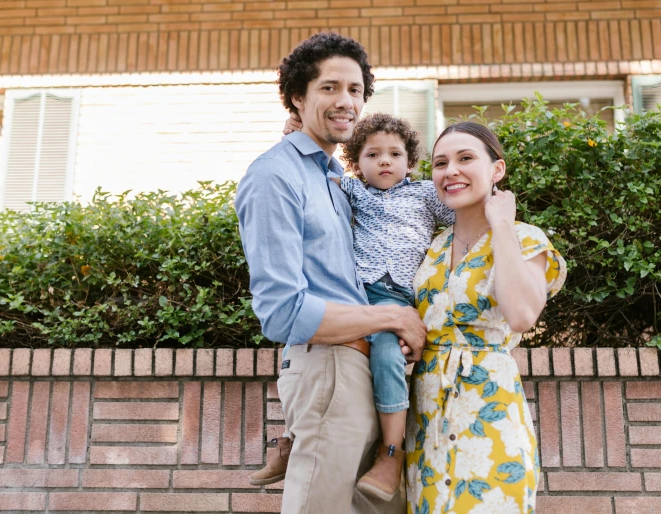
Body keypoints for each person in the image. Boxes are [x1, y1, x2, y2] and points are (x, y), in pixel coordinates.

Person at [234, 32, 425, 514]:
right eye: (329, 88)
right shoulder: (275, 176)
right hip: (329, 368)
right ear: (298, 97)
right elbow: (283, 313)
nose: (346, 102)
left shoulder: (332, 177)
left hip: (362, 372)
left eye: (356, 90)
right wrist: (391, 320)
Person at [258, 112, 455, 501]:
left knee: (386, 356)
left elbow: (463, 213)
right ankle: (291, 439)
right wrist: (295, 136)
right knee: (304, 343)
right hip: (355, 293)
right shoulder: (350, 189)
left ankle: (391, 452)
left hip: (397, 298)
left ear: (410, 163)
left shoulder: (424, 194)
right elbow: (309, 180)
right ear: (356, 162)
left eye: (394, 154)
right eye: (373, 154)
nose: (384, 161)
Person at [405, 122, 567, 514]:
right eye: (440, 163)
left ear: (497, 170)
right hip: (425, 420)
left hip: (489, 412)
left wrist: (502, 226)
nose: (450, 171)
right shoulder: (431, 246)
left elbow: (523, 315)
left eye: (465, 158)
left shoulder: (524, 238)